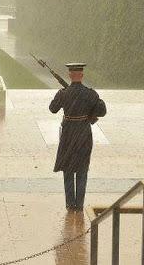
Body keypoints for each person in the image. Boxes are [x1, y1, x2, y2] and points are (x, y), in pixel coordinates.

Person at [50, 63, 106, 211]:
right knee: (82, 169)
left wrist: (63, 94)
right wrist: (92, 107)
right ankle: (79, 205)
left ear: (69, 75)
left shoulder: (63, 93)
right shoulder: (90, 94)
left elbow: (52, 109)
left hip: (68, 134)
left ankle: (70, 203)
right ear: (81, 75)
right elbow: (102, 111)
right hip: (83, 133)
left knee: (68, 169)